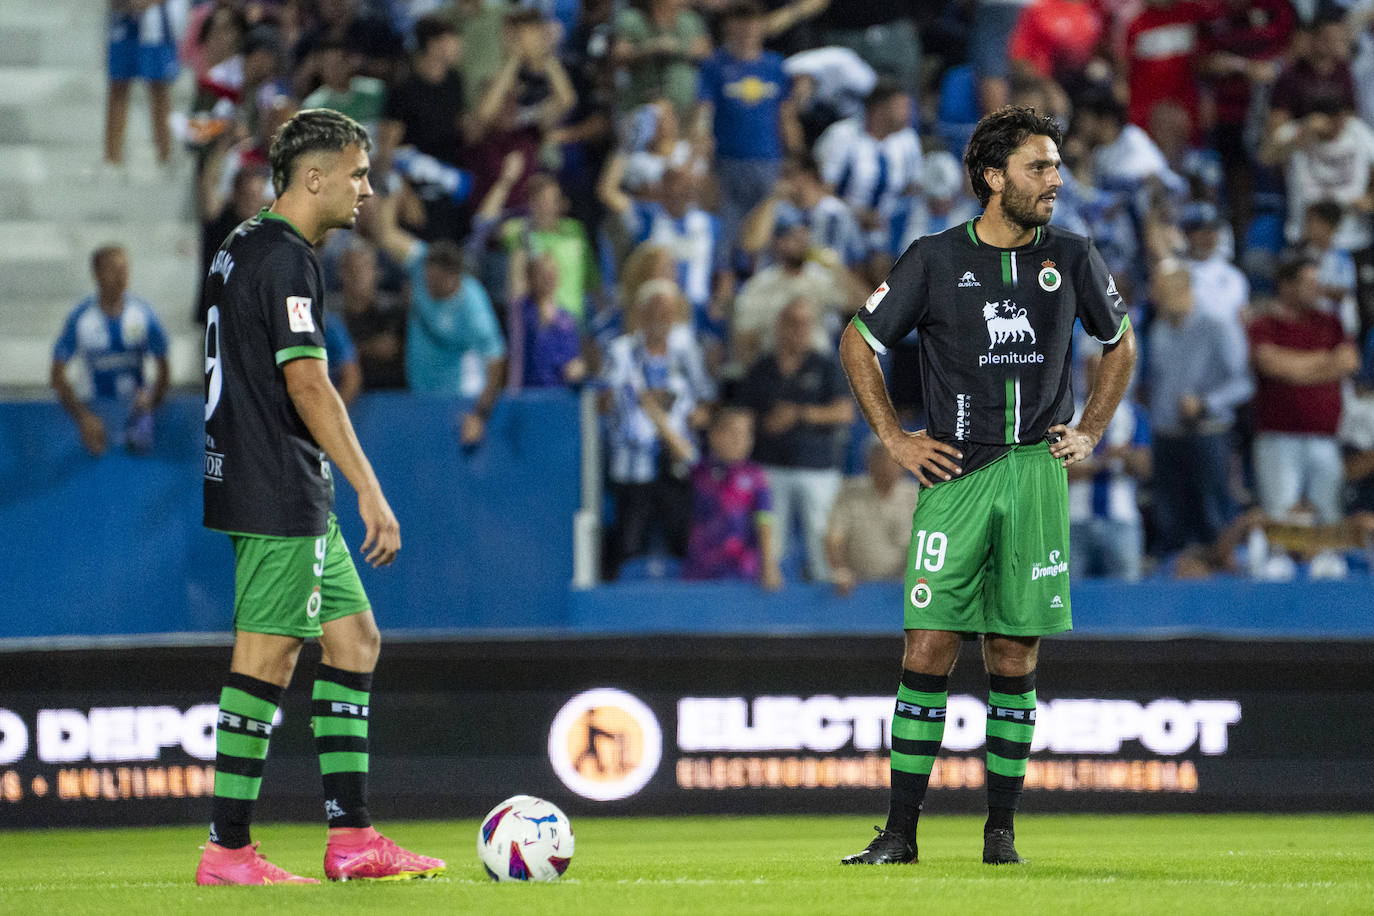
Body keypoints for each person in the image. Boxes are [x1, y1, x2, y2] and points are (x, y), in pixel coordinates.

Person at [838, 107, 1135, 866]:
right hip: (956, 471)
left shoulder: (1071, 255)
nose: (1055, 181)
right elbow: (859, 339)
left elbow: (1119, 343)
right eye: (1039, 167)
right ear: (994, 177)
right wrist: (895, 439)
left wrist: (1093, 428)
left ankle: (999, 834)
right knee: (929, 645)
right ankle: (900, 835)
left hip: (1036, 470)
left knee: (1012, 656)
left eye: (1057, 166)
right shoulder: (934, 259)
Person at [195, 108, 444, 885]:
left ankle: (353, 839)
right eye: (359, 173)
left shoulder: (241, 244)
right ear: (315, 176)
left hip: (271, 478)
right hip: (276, 485)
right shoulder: (287, 259)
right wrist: (371, 489)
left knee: (354, 640)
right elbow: (307, 381)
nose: (368, 190)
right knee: (267, 658)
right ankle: (228, 850)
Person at [600, 278, 716, 579]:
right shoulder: (620, 352)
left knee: (681, 538)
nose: (660, 318)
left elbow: (705, 399)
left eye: (667, 311)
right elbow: (611, 401)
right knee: (628, 542)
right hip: (633, 462)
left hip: (677, 461)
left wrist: (699, 415)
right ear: (639, 313)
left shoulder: (686, 351)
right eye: (653, 310)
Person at [736, 298, 854, 581]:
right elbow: (744, 412)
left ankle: (828, 606)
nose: (798, 329)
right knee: (771, 541)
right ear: (779, 326)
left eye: (804, 324)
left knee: (821, 535)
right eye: (792, 322)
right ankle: (771, 602)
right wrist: (764, 423)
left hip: (818, 467)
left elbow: (844, 412)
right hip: (770, 466)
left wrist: (799, 414)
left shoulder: (824, 366)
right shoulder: (761, 368)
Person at [1248, 255, 1360, 525]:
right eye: (1309, 283)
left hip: (1326, 438)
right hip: (1279, 437)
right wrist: (1324, 361)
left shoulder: (1330, 322)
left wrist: (1295, 366)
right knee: (1282, 518)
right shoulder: (1265, 324)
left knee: (1329, 516)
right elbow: (1271, 364)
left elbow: (1349, 362)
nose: (1317, 289)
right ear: (1287, 286)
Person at [51, 245, 170, 456]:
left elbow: (163, 366)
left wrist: (152, 403)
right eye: (113, 270)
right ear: (96, 275)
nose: (121, 277)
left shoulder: (142, 314)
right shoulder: (81, 318)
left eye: (124, 270)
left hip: (134, 415)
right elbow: (57, 374)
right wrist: (83, 417)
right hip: (94, 409)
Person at [682, 406, 783, 588]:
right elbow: (677, 446)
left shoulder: (756, 476)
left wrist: (768, 564)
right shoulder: (699, 470)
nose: (740, 440)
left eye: (747, 434)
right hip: (701, 570)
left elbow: (764, 519)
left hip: (742, 572)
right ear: (714, 435)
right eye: (733, 433)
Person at [824, 439, 920, 596]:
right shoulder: (849, 493)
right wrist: (840, 570)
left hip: (902, 587)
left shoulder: (916, 496)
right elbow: (833, 538)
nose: (891, 466)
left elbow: (930, 541)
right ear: (870, 463)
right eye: (884, 459)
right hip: (857, 585)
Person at [104, 0, 183, 170]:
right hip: (124, 25)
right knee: (118, 87)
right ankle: (112, 157)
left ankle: (165, 155)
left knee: (160, 90)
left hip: (157, 27)